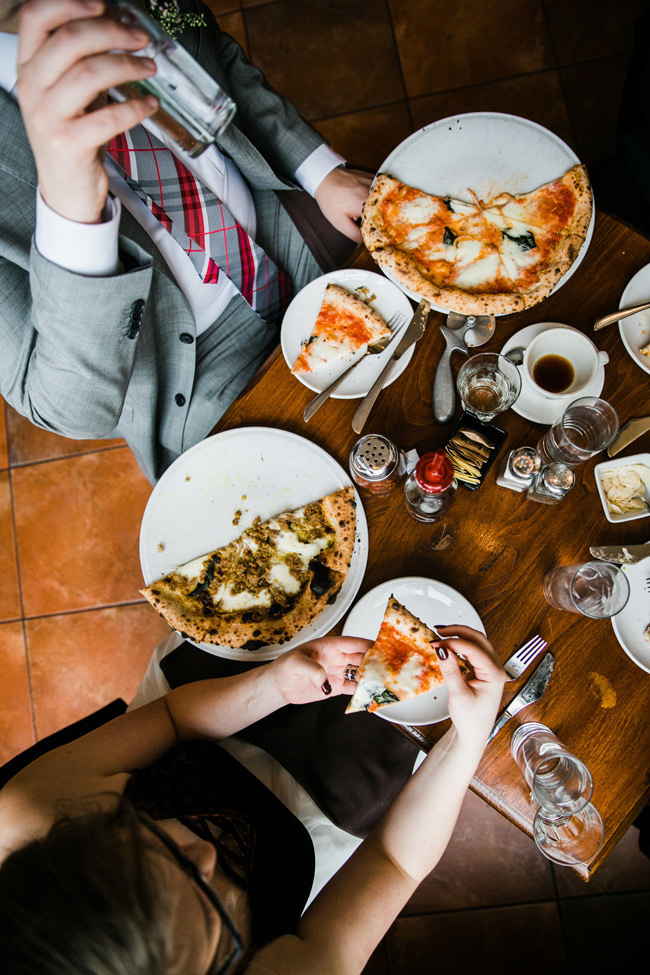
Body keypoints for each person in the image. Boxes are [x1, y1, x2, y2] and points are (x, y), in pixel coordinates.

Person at [0, 0, 372, 483]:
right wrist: (70, 204)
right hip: (190, 373)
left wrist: (319, 171)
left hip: (287, 228)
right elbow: (69, 407)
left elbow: (213, 52)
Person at [0, 624, 505, 974]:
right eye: (212, 915)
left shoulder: (25, 815)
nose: (206, 855)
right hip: (315, 818)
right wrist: (469, 738)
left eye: (155, 845)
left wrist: (273, 686)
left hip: (195, 721)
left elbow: (173, 719)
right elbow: (394, 861)